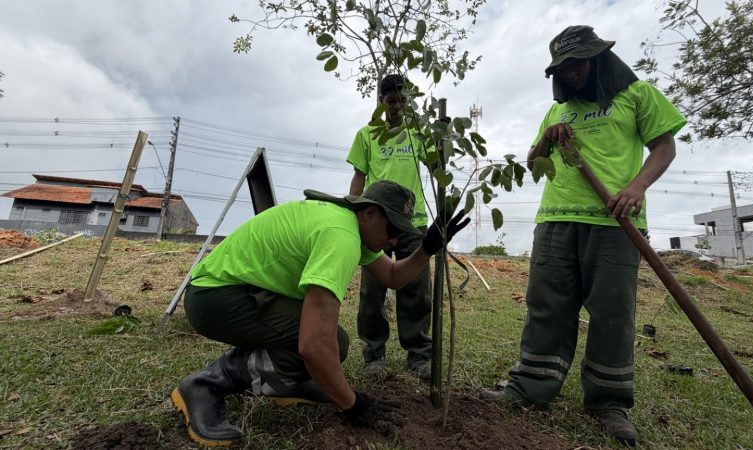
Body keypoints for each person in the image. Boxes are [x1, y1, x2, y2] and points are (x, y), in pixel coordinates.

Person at [481, 25, 687, 446]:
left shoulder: (636, 94)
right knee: (547, 307)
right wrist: (546, 138)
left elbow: (664, 146)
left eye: (577, 63)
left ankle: (608, 403)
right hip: (556, 220)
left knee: (612, 315)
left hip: (614, 222)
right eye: (563, 67)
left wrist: (637, 187)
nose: (571, 73)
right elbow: (533, 163)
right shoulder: (557, 110)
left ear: (597, 58)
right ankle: (529, 388)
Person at [171, 180, 469, 447]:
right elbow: (313, 344)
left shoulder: (348, 224)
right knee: (326, 345)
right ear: (370, 213)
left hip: (235, 291)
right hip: (215, 298)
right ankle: (206, 384)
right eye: (392, 230)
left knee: (331, 346)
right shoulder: (341, 236)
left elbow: (392, 276)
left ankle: (282, 383)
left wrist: (427, 249)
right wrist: (352, 405)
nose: (393, 242)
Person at [347, 74, 435, 380]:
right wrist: (354, 211)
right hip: (377, 223)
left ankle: (419, 355)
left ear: (409, 101)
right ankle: (374, 354)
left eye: (403, 100)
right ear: (380, 101)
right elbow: (359, 177)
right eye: (391, 100)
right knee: (372, 291)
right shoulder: (367, 134)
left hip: (414, 222)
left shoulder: (419, 132)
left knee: (416, 290)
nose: (397, 106)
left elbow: (436, 167)